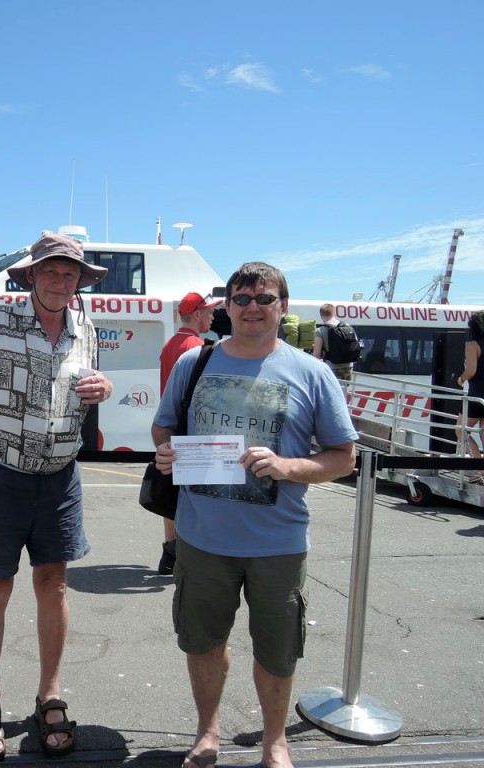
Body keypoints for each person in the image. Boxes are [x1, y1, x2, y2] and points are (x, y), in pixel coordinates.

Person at [150, 262, 357, 768]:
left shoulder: (312, 373)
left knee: (277, 652)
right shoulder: (194, 364)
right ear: (227, 307)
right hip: (202, 539)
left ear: (283, 307)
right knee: (203, 643)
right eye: (241, 299)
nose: (252, 308)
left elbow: (344, 457)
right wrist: (167, 453)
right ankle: (207, 734)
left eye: (264, 298)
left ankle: (274, 743)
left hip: (277, 544)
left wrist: (286, 466)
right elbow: (163, 431)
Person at [0, 232, 114, 762]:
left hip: (59, 478)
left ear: (80, 281)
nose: (60, 280)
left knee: (53, 585)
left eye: (70, 273)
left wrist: (105, 390)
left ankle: (49, 694)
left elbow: (89, 387)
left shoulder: (86, 329)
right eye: (50, 271)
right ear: (32, 276)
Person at [155, 291, 223, 575]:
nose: (212, 316)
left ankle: (169, 548)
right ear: (196, 314)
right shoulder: (197, 346)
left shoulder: (171, 343)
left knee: (173, 491)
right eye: (208, 312)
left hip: (171, 427)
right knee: (195, 497)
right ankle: (187, 554)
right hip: (193, 431)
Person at [456, 310, 484, 481]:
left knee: (461, 430)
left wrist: (461, 378)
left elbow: (471, 371)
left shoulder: (473, 345)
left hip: (477, 394)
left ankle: (479, 465)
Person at [313, 303, 357, 381]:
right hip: (348, 367)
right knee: (344, 391)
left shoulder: (320, 330)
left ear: (321, 315)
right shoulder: (348, 326)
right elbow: (355, 344)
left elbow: (317, 355)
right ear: (335, 313)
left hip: (332, 368)